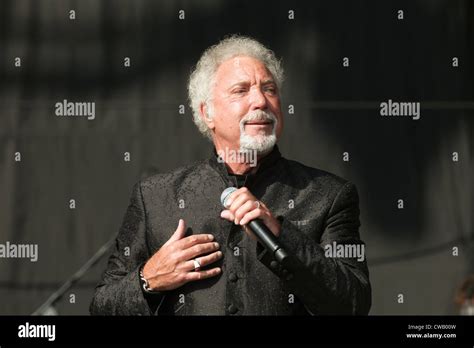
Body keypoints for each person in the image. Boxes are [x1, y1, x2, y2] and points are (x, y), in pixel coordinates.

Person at [90, 35, 371, 315]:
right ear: (207, 112)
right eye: (241, 90)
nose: (261, 100)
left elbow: (353, 304)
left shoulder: (328, 195)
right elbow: (102, 308)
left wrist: (281, 234)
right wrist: (149, 279)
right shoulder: (155, 197)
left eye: (269, 89)